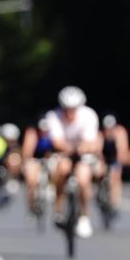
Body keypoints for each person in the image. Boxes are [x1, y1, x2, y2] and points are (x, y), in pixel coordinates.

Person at [44, 86, 103, 238]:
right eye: (67, 108)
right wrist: (69, 149)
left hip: (84, 153)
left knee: (83, 179)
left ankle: (84, 216)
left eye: (73, 108)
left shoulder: (89, 115)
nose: (70, 112)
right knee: (62, 170)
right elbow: (57, 141)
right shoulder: (53, 116)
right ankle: (58, 210)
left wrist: (82, 149)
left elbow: (91, 141)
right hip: (64, 153)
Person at [21, 117, 55, 216]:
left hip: (49, 158)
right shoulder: (32, 134)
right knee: (31, 181)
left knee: (55, 166)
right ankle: (31, 206)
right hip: (34, 158)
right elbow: (27, 151)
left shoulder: (54, 134)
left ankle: (52, 186)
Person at [101, 114, 130, 209]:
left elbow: (122, 150)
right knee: (99, 171)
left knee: (116, 175)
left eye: (111, 128)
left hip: (115, 158)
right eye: (107, 128)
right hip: (105, 158)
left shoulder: (120, 132)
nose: (109, 131)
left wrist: (118, 165)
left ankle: (115, 199)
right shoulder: (101, 134)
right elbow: (98, 150)